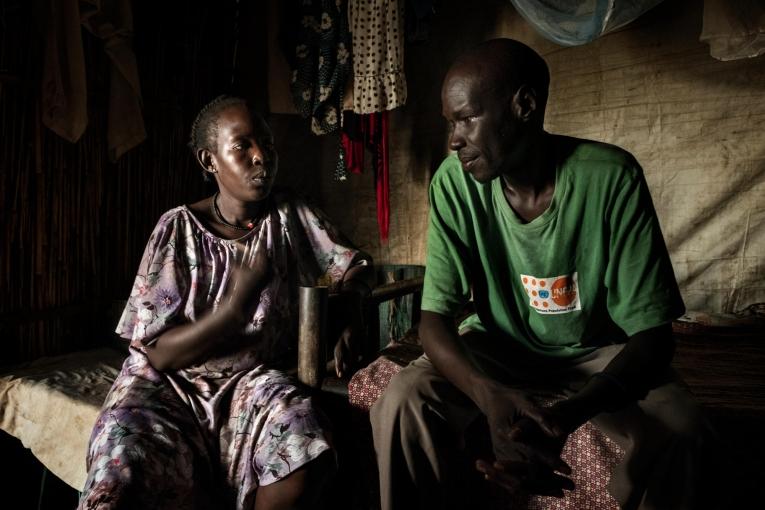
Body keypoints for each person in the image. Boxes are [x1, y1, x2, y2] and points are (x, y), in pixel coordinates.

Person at [371, 39, 718, 510]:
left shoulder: (610, 177)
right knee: (402, 401)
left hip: (598, 349)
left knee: (684, 428)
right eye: (450, 123)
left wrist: (567, 416)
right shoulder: (453, 184)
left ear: (525, 106)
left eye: (467, 118)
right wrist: (488, 395)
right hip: (499, 346)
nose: (454, 139)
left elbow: (654, 337)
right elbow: (435, 319)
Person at [78, 95, 373, 510]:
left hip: (251, 381)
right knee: (121, 467)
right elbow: (159, 355)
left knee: (304, 448)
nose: (260, 157)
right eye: (242, 146)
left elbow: (355, 265)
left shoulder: (290, 215)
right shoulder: (178, 229)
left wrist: (350, 310)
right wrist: (235, 307)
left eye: (266, 145)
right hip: (169, 388)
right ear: (209, 160)